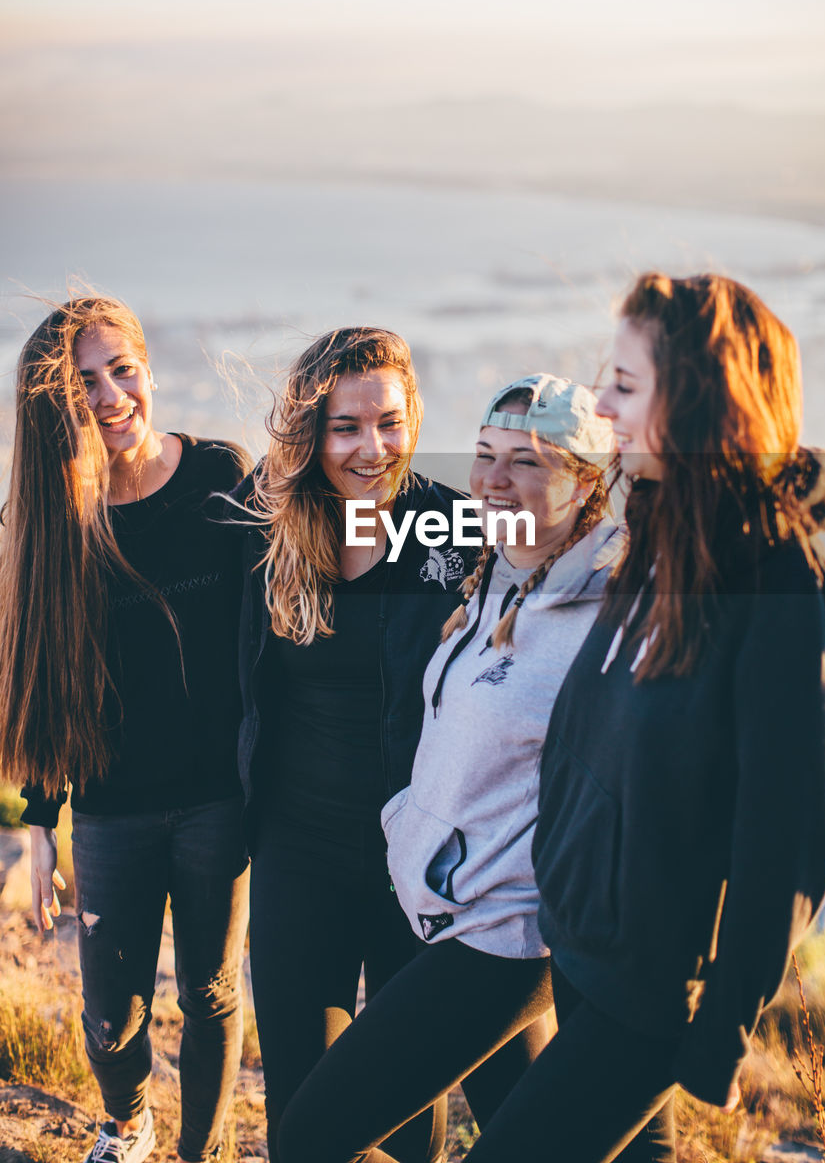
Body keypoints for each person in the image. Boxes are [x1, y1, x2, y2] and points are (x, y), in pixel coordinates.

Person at [458, 273, 825, 1162]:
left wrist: (721, 1031)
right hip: (584, 945)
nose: (600, 403)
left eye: (626, 386)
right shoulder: (664, 528)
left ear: (702, 402)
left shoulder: (783, 588)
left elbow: (788, 837)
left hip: (650, 990)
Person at [274, 372, 685, 1163]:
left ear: (587, 480)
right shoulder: (501, 565)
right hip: (451, 907)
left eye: (529, 462)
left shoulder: (615, 609)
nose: (494, 479)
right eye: (487, 453)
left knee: (313, 1136)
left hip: (505, 931)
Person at [0, 297, 251, 1163]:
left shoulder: (222, 476)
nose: (111, 396)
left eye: (122, 370)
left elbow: (275, 630)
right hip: (110, 804)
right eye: (83, 386)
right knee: (110, 1015)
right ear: (54, 408)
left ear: (148, 368)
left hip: (220, 796)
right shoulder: (53, 517)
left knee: (213, 992)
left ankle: (198, 1151)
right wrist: (41, 825)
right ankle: (128, 1120)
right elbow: (40, 676)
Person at [235, 325, 491, 1163]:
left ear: (413, 414)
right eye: (346, 427)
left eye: (388, 421)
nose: (371, 448)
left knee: (407, 1113)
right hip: (297, 853)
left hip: (416, 860)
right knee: (303, 1109)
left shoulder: (453, 531)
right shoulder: (271, 534)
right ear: (313, 434)